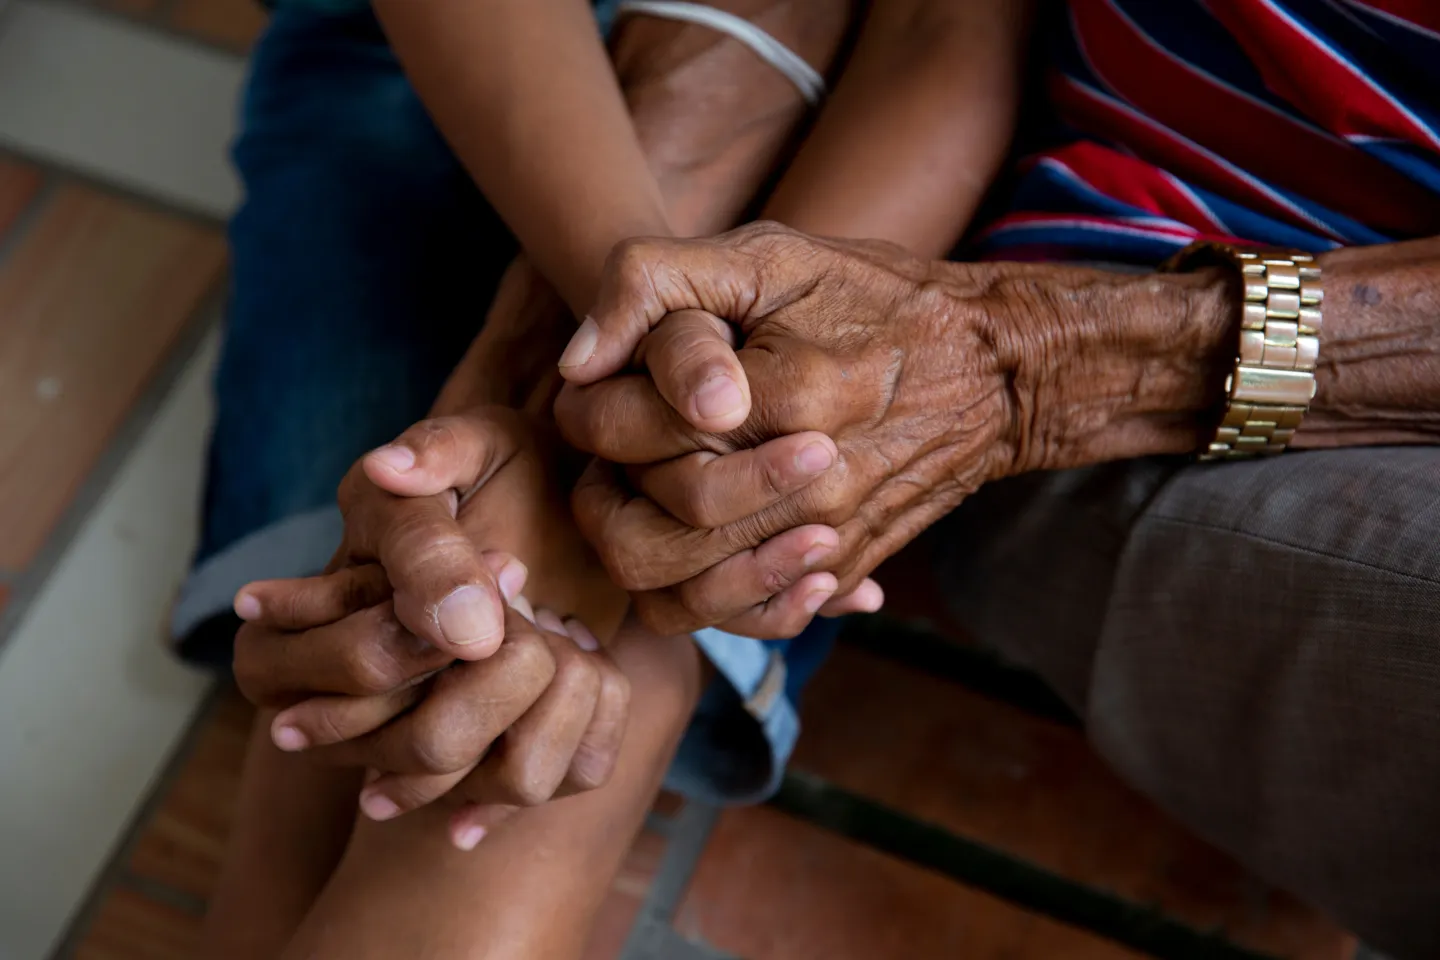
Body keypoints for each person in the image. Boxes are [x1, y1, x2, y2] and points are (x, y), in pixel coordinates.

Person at [544, 3, 1440, 957]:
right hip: (1126, 285)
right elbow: (946, 26)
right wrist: (742, 377)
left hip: (1101, 346)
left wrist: (1036, 361)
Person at [196, 0, 1030, 956]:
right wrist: (598, 375)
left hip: (828, 196)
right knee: (468, 666)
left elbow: (950, 34)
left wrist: (654, 414)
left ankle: (622, 589)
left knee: (463, 659)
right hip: (464, 71)